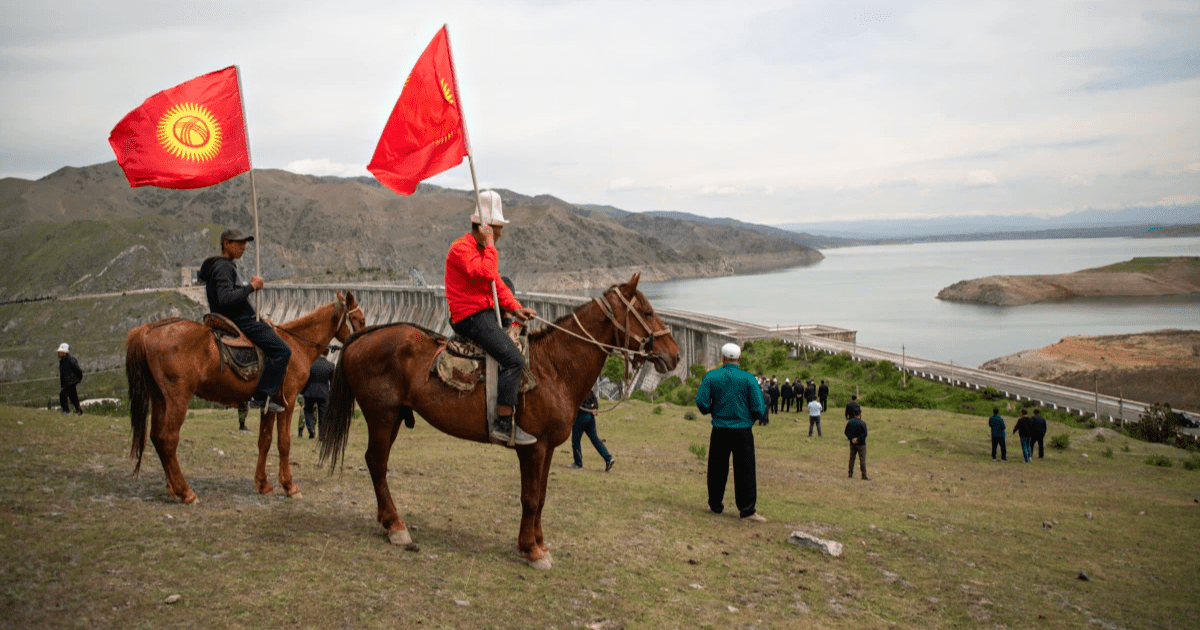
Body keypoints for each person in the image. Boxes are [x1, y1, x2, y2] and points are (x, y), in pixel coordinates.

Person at [444, 190, 538, 445]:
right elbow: (485, 273)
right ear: (486, 227)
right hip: (469, 317)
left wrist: (516, 308)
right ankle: (503, 424)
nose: (500, 233)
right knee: (513, 359)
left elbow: (498, 284)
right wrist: (490, 246)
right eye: (498, 228)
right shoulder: (461, 249)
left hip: (483, 312)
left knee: (506, 284)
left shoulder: (480, 250)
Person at [197, 229, 290, 413]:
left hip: (234, 317)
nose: (243, 247)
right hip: (239, 320)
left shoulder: (220, 266)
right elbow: (225, 298)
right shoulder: (223, 267)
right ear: (226, 244)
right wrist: (251, 287)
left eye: (244, 243)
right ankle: (262, 396)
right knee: (282, 351)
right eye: (238, 243)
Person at [695, 343, 768, 522]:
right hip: (743, 430)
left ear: (722, 358)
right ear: (739, 358)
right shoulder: (748, 378)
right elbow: (759, 406)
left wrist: (712, 410)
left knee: (716, 468)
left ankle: (715, 505)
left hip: (720, 429)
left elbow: (701, 402)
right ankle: (747, 510)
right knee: (745, 469)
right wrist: (753, 418)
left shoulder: (712, 376)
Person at [567, 390, 615, 471]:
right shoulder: (588, 389)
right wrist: (593, 407)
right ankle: (608, 458)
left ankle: (578, 464)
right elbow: (594, 401)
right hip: (590, 417)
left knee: (576, 439)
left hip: (581, 416)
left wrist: (590, 407)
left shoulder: (578, 389)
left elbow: (581, 404)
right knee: (595, 438)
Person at [299, 348, 335, 439]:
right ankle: (322, 435)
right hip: (324, 393)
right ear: (327, 353)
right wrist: (330, 394)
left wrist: (302, 392)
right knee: (323, 414)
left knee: (308, 411)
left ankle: (311, 430)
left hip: (309, 392)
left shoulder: (310, 363)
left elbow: (304, 378)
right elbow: (333, 382)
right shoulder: (331, 365)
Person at [56, 342, 83, 416]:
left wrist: (78, 379)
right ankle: (79, 411)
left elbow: (78, 370)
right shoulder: (62, 362)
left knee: (63, 395)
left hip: (70, 382)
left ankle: (66, 410)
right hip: (67, 382)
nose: (58, 354)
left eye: (60, 352)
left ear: (64, 353)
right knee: (73, 397)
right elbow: (62, 375)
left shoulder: (71, 360)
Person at [845, 409, 868, 480]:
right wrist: (858, 439)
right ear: (860, 415)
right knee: (862, 459)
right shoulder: (862, 423)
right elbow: (865, 434)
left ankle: (850, 473)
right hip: (861, 444)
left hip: (852, 443)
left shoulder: (850, 422)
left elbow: (846, 432)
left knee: (852, 458)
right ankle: (864, 475)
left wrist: (852, 438)